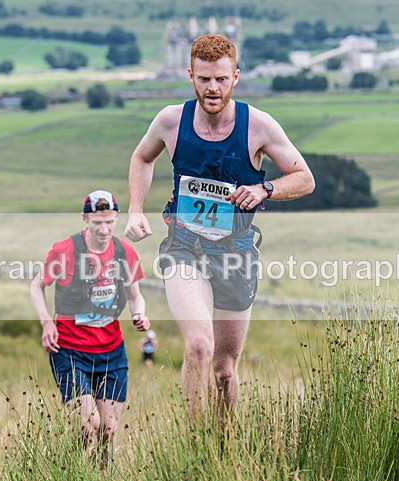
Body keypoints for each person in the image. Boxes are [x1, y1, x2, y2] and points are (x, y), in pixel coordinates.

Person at [124, 34, 315, 423]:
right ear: (191, 75)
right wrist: (135, 209)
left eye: (221, 80)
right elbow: (142, 157)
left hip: (236, 254)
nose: (213, 88)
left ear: (236, 77)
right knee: (197, 347)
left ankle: (224, 446)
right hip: (185, 248)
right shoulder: (171, 121)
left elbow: (304, 178)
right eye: (205, 79)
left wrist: (265, 188)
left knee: (225, 369)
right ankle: (198, 452)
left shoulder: (258, 125)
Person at [30, 190, 150, 467]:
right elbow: (37, 286)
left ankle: (102, 475)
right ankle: (76, 469)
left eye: (109, 221)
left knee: (108, 427)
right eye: (97, 222)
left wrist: (139, 314)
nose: (104, 229)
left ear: (117, 217)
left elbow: (135, 296)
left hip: (111, 351)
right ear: (85, 219)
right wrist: (47, 322)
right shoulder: (65, 250)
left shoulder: (125, 252)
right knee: (88, 424)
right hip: (70, 349)